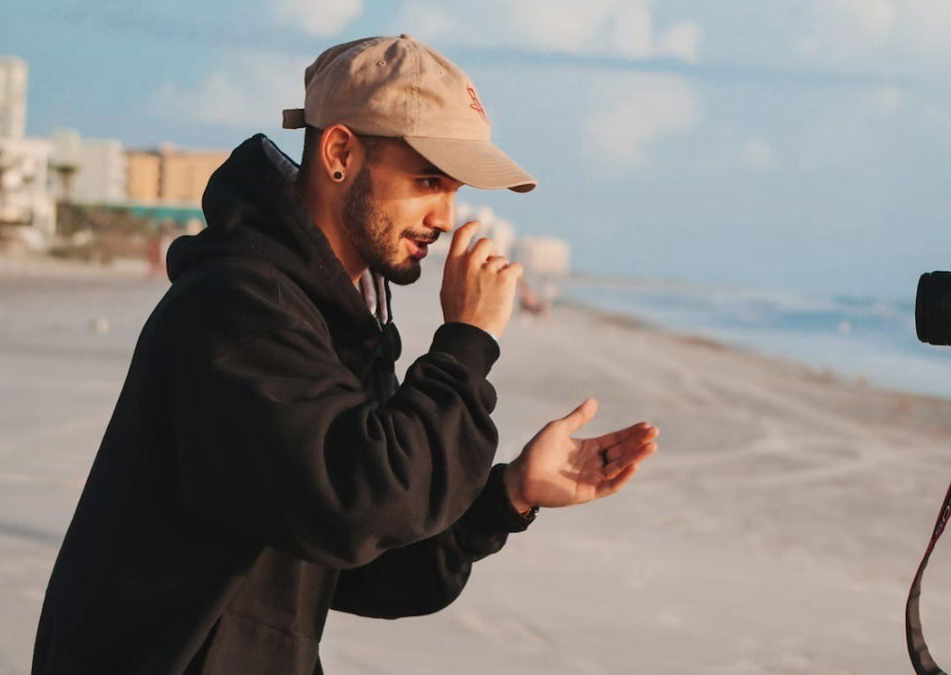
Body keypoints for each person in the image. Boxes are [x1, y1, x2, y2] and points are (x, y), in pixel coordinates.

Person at [33, 35, 659, 674]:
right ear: (338, 153)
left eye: (453, 189)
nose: (445, 216)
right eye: (425, 181)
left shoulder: (334, 320)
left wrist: (509, 496)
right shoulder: (239, 309)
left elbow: (366, 563)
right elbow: (359, 506)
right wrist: (467, 343)